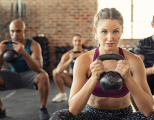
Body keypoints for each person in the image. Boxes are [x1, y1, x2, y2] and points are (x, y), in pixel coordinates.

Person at [50, 8, 154, 120]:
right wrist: (93, 78)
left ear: (121, 31)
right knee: (59, 117)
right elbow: (73, 110)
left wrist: (128, 78)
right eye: (104, 31)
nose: (110, 38)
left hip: (125, 116)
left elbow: (148, 110)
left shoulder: (134, 61)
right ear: (95, 31)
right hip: (92, 115)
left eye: (115, 31)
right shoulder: (83, 60)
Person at [0, 19, 50, 120]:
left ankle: (43, 108)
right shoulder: (5, 45)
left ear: (25, 31)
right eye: (12, 31)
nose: (15, 34)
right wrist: (0, 53)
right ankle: (1, 108)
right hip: (12, 76)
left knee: (44, 75)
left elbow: (38, 68)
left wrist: (24, 53)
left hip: (30, 75)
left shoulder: (34, 45)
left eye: (18, 31)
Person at [52, 34, 88, 102]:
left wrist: (84, 58)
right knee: (55, 72)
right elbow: (58, 70)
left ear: (82, 42)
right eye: (75, 41)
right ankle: (62, 94)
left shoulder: (87, 53)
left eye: (79, 40)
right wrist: (70, 59)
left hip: (84, 79)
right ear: (72, 41)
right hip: (71, 79)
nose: (77, 43)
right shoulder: (67, 55)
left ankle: (91, 95)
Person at [133, 16, 154, 96]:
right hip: (148, 78)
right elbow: (135, 70)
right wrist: (151, 70)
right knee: (141, 80)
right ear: (152, 25)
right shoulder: (142, 43)